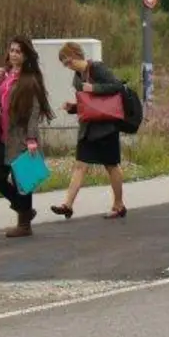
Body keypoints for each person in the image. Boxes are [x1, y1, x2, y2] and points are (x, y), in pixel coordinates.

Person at [0, 35, 54, 238]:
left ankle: (24, 225)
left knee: (23, 179)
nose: (13, 54)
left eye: (18, 51)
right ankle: (25, 210)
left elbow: (34, 111)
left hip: (21, 137)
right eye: (11, 50)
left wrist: (31, 138)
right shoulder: (5, 75)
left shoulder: (30, 80)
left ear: (25, 55)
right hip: (2, 135)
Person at [50, 41, 128, 220]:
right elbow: (88, 104)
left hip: (106, 126)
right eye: (65, 64)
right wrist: (73, 107)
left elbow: (117, 86)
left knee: (111, 165)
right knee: (80, 165)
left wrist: (94, 88)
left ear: (77, 55)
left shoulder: (97, 68)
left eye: (68, 62)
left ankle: (119, 204)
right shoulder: (77, 78)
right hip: (88, 128)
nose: (68, 66)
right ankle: (67, 205)